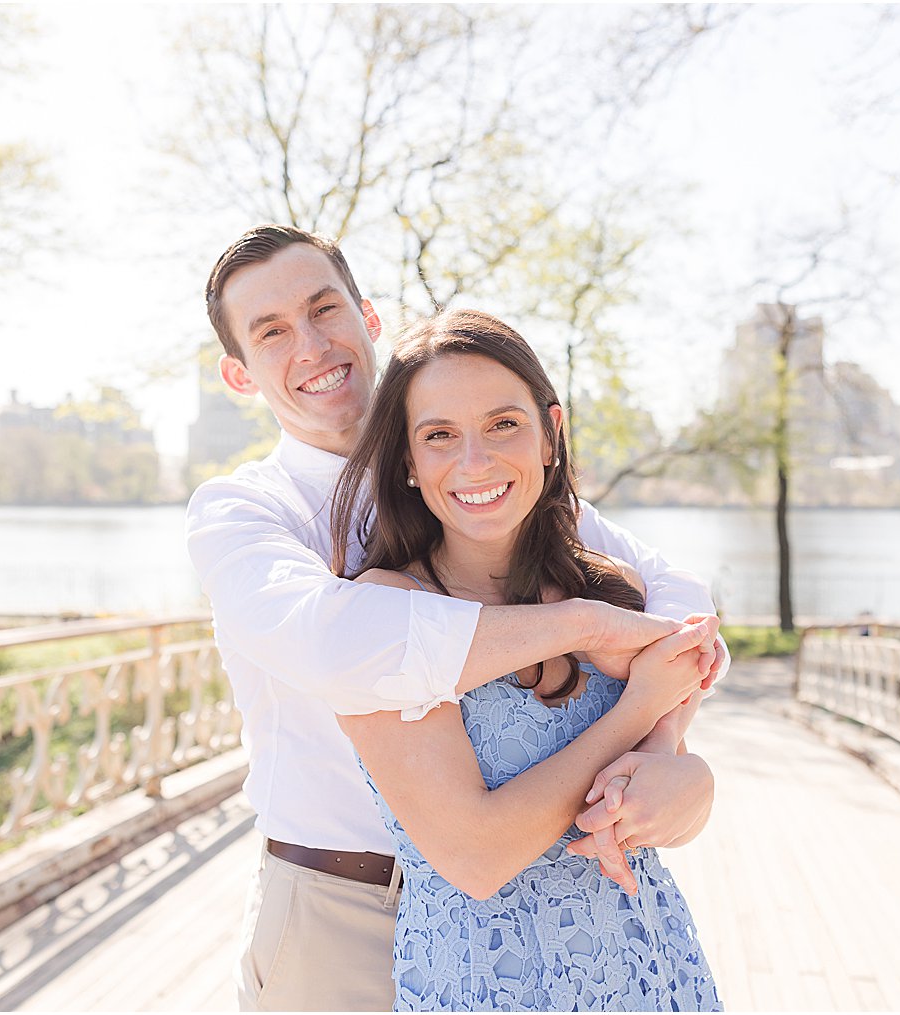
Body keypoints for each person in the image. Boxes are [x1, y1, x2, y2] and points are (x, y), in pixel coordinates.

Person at [185, 224, 728, 1012]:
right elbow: (345, 647)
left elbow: (679, 598)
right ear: (239, 373)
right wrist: (585, 629)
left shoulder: (477, 482)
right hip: (343, 903)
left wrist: (665, 750)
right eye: (271, 332)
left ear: (367, 318)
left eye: (324, 309)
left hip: (562, 909)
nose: (310, 344)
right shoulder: (243, 514)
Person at [328, 308, 721, 1011]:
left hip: (649, 967)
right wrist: (635, 706)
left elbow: (670, 795)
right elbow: (474, 856)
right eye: (439, 435)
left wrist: (690, 785)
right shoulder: (385, 613)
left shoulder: (609, 584)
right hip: (491, 983)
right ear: (409, 464)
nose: (474, 461)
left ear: (550, 434)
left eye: (503, 424)